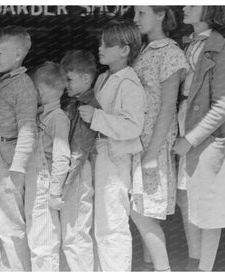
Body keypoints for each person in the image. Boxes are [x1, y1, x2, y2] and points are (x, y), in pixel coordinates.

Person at [173, 6, 225, 272]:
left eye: (193, 2)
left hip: (207, 137)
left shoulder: (220, 48)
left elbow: (223, 106)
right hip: (183, 127)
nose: (185, 6)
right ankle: (193, 260)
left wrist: (191, 138)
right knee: (185, 199)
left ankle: (204, 269)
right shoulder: (186, 44)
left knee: (209, 208)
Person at [78, 20, 146, 271]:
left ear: (125, 50)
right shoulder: (105, 77)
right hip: (100, 153)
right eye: (101, 43)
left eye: (108, 44)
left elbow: (132, 127)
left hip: (115, 156)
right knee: (100, 221)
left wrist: (96, 118)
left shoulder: (128, 83)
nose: (101, 48)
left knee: (112, 223)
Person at [131, 6, 189, 272]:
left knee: (142, 212)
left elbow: (168, 107)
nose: (135, 19)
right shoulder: (143, 51)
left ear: (161, 14)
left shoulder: (170, 53)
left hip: (154, 142)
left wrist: (153, 153)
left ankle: (163, 270)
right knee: (139, 208)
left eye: (141, 13)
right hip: (137, 140)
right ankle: (147, 266)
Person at [0, 25, 37, 271]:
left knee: (10, 222)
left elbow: (27, 129)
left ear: (17, 54)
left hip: (6, 156)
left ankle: (20, 270)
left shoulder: (23, 85)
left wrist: (18, 167)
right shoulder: (6, 80)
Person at [26, 61, 70, 271]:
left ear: (40, 90)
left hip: (45, 183)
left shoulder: (58, 118)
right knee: (35, 236)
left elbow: (62, 157)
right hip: (34, 181)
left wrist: (54, 191)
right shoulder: (40, 114)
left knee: (45, 241)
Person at [60, 50, 100, 271]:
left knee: (76, 231)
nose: (65, 84)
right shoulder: (74, 101)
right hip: (73, 170)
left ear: (86, 78)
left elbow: (80, 148)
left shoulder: (87, 106)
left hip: (78, 172)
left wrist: (65, 182)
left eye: (70, 79)